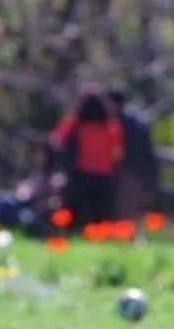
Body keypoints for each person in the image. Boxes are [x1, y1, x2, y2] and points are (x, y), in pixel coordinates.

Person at [50, 88, 124, 228]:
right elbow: (117, 153)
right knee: (101, 213)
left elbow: (56, 139)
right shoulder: (111, 126)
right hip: (104, 176)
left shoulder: (74, 123)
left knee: (77, 212)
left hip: (81, 174)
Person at [107, 89, 160, 220]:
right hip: (139, 169)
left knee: (126, 206)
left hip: (132, 169)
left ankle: (129, 235)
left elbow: (127, 149)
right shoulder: (133, 117)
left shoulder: (126, 122)